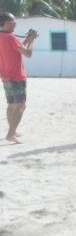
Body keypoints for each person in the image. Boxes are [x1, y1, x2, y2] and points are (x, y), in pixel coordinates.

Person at [0, 12, 37, 143]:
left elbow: (16, 49)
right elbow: (28, 54)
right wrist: (32, 41)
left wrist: (27, 40)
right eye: (14, 21)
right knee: (21, 105)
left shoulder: (3, 37)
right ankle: (11, 134)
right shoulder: (10, 37)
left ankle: (12, 131)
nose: (15, 23)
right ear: (8, 23)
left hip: (5, 77)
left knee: (11, 105)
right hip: (17, 76)